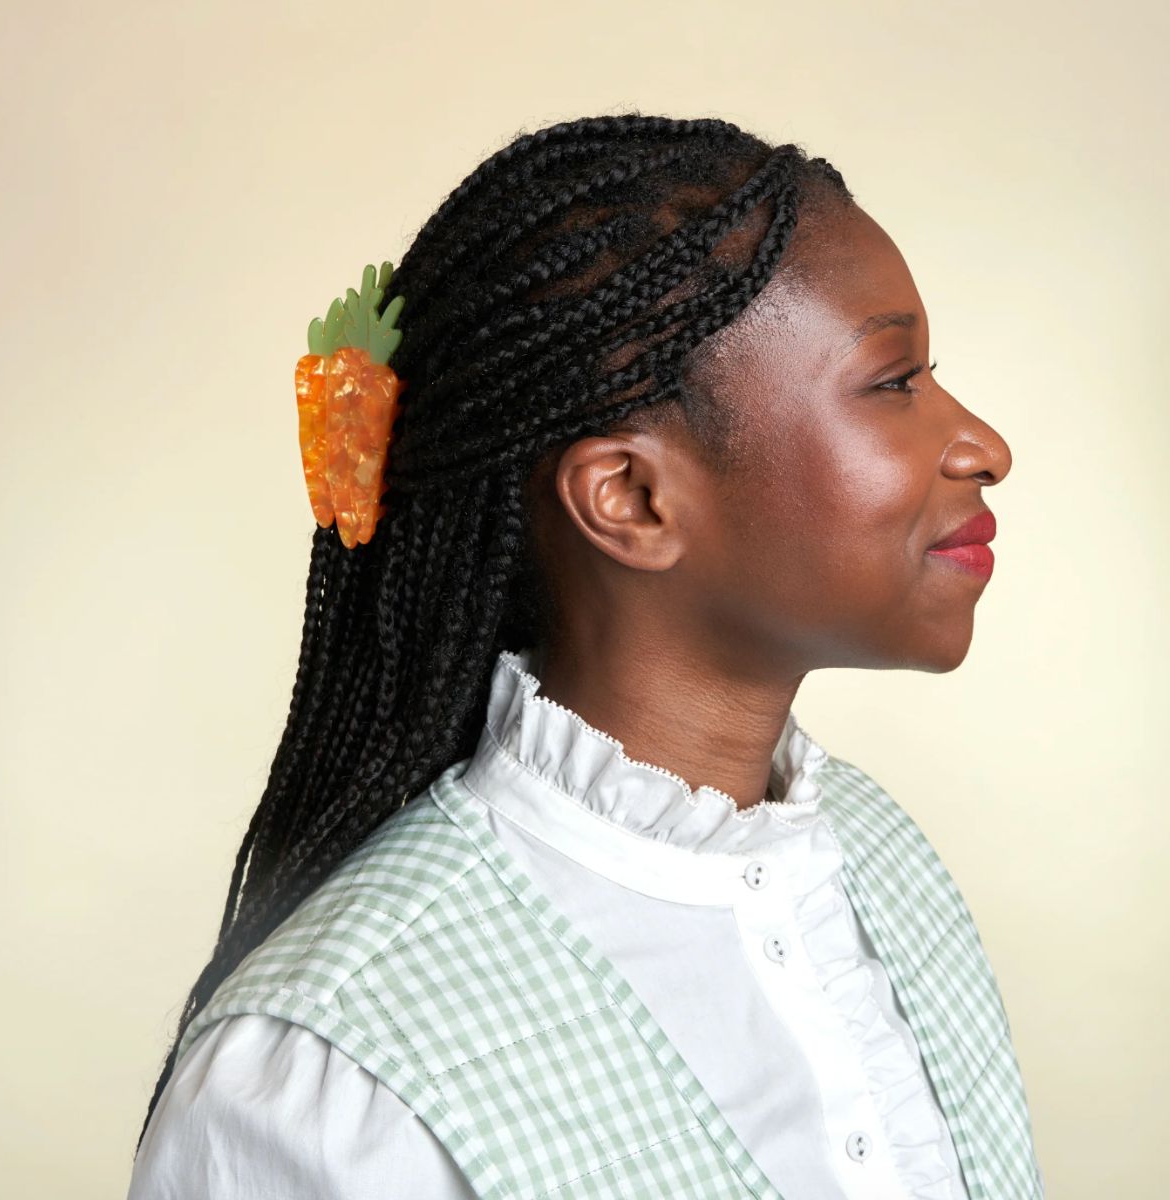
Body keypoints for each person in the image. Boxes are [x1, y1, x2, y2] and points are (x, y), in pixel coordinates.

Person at [128, 114, 1044, 1198]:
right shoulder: (329, 1088)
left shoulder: (883, 864)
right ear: (631, 498)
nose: (985, 446)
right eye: (894, 382)